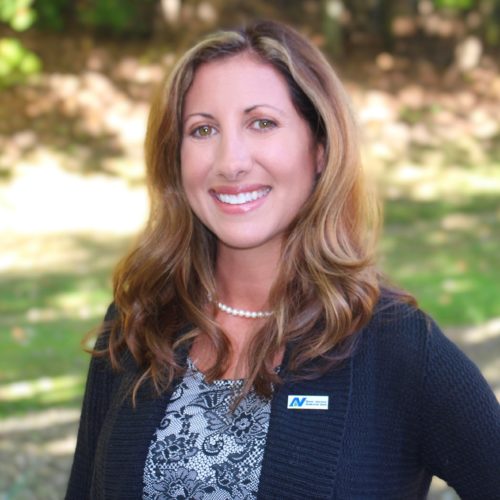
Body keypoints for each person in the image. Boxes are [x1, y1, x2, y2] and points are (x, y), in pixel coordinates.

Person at [65, 20, 499, 499]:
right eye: (203, 129)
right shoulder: (136, 328)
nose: (231, 161)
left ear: (319, 149)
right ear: (175, 158)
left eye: (262, 123)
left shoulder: (396, 345)